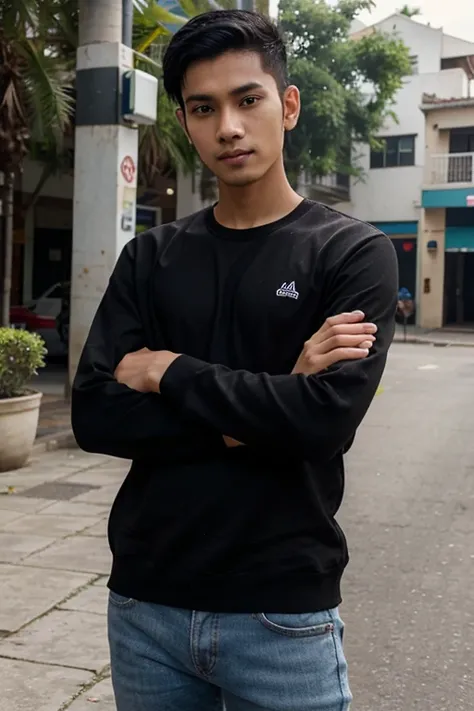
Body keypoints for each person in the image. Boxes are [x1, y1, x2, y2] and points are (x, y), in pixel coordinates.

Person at [71, 9, 398, 711]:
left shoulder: (350, 253)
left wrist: (166, 371)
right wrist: (274, 398)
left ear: (287, 104)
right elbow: (95, 413)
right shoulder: (152, 256)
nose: (228, 126)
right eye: (203, 107)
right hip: (146, 605)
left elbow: (324, 420)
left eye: (247, 99)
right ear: (185, 123)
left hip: (280, 613)